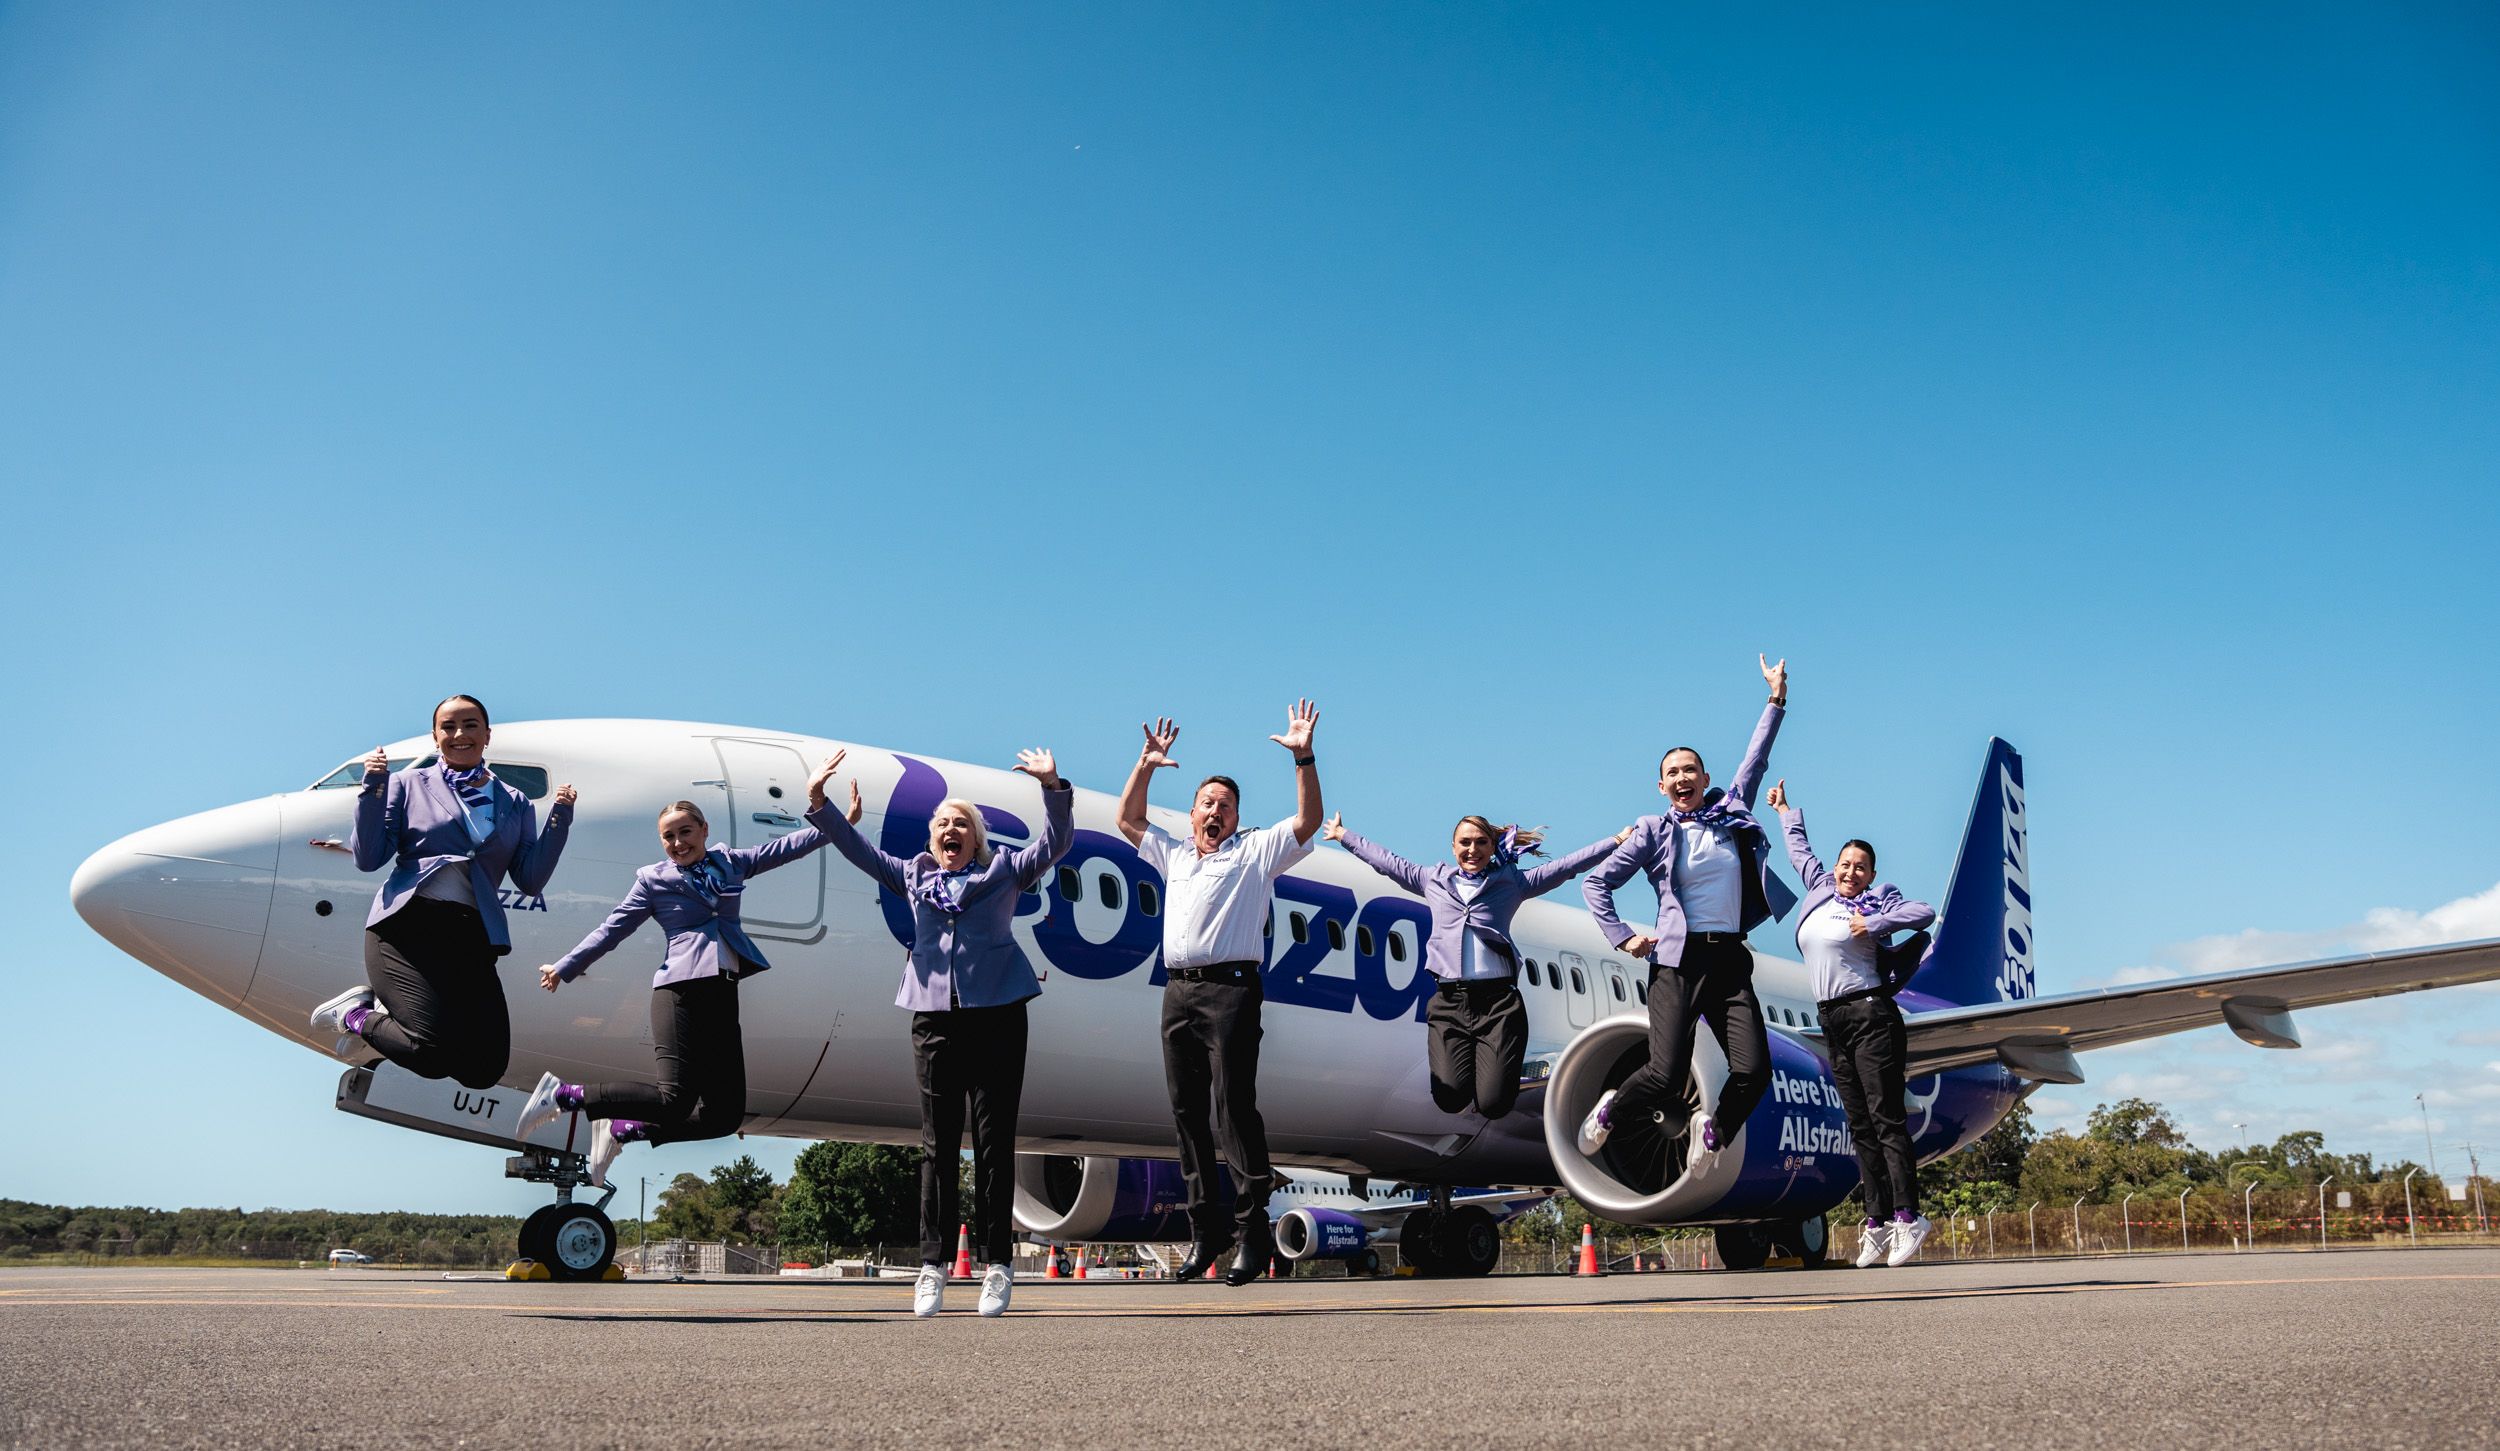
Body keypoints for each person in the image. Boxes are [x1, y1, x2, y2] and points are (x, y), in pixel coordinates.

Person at [513, 752, 860, 1191]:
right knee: (673, 1098)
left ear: (703, 831)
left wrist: (836, 823)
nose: (678, 843)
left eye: (685, 833)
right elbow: (613, 929)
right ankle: (564, 1095)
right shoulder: (653, 880)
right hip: (679, 990)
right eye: (668, 837)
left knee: (723, 1115)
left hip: (723, 988)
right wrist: (565, 967)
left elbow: (787, 847)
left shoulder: (729, 862)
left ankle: (625, 1130)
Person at [814, 748, 1075, 1319]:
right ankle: (932, 1267)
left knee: (993, 1141)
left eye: (961, 823)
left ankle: (997, 1265)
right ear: (931, 839)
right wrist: (821, 806)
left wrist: (1052, 786)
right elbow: (860, 853)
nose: (949, 829)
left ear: (976, 838)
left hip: (999, 1012)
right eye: (941, 824)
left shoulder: (1002, 871)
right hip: (933, 1016)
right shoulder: (913, 875)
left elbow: (1055, 844)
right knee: (937, 1143)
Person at [1116, 701, 1322, 1287]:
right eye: (1208, 803)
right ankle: (1204, 1234)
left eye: (1226, 806)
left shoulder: (1254, 854)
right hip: (1177, 992)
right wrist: (1146, 764)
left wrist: (1304, 756)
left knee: (1233, 1111)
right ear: (1192, 814)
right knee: (1186, 1115)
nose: (1216, 812)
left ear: (1236, 818)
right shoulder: (1175, 854)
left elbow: (1308, 821)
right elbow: (1129, 821)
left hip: (1231, 991)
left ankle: (1253, 1235)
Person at [1578, 656, 1798, 1172]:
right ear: (1662, 786)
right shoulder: (1652, 830)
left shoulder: (1731, 811)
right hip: (1677, 963)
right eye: (1672, 773)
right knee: (1663, 1073)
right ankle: (1611, 1107)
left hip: (1729, 961)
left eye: (1690, 770)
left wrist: (1776, 699)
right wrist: (1622, 936)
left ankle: (1714, 1129)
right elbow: (1597, 882)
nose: (1682, 778)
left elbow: (1756, 759)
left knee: (1754, 1070)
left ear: (1705, 777)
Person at [309, 695, 575, 1090]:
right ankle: (353, 1015)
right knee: (428, 1051)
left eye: (470, 725)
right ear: (436, 737)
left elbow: (530, 880)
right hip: (407, 927)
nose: (459, 734)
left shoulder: (514, 801)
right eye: (448, 726)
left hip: (471, 935)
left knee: (485, 1069)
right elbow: (369, 858)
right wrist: (373, 790)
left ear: (487, 735)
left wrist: (559, 819)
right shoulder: (408, 784)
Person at [1325, 813, 1630, 1120]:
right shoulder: (1431, 880)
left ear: (1493, 846)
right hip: (1449, 1003)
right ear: (1453, 847)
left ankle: (1494, 1077)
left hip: (1499, 1004)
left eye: (1481, 842)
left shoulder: (1512, 883)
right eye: (1465, 843)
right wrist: (1342, 835)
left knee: (1494, 1104)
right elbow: (1386, 862)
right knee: (1450, 1098)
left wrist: (1614, 842)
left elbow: (1567, 866)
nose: (1473, 850)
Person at [1765, 778, 1936, 1267]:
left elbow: (1924, 913)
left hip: (1870, 1014)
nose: (1849, 872)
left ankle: (1909, 1218)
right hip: (1831, 1020)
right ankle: (1877, 1223)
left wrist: (1875, 924)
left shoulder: (1876, 903)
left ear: (1871, 874)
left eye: (1859, 867)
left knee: (1886, 1120)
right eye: (1845, 864)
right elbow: (1800, 852)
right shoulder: (1821, 892)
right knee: (1858, 1125)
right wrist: (1783, 811)